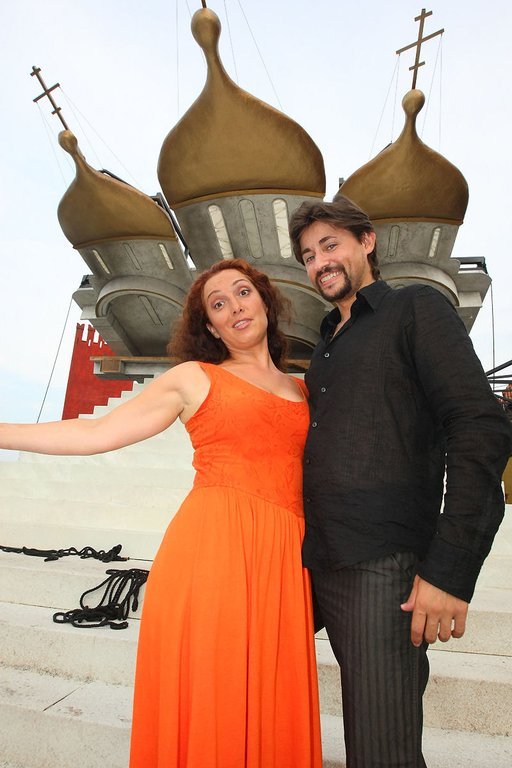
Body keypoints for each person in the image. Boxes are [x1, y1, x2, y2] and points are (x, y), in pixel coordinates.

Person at [0, 259, 322, 768]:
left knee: (270, 700)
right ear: (210, 327)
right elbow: (95, 433)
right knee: (214, 698)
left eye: (243, 293)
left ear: (265, 301)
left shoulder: (305, 389)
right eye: (219, 304)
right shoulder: (194, 378)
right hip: (213, 552)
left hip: (283, 559)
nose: (235, 307)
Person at [288, 196, 512, 768]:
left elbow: (479, 425)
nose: (319, 262)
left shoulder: (416, 308)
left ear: (367, 242)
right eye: (308, 255)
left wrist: (449, 570)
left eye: (330, 245)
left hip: (382, 568)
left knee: (380, 750)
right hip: (315, 561)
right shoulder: (325, 346)